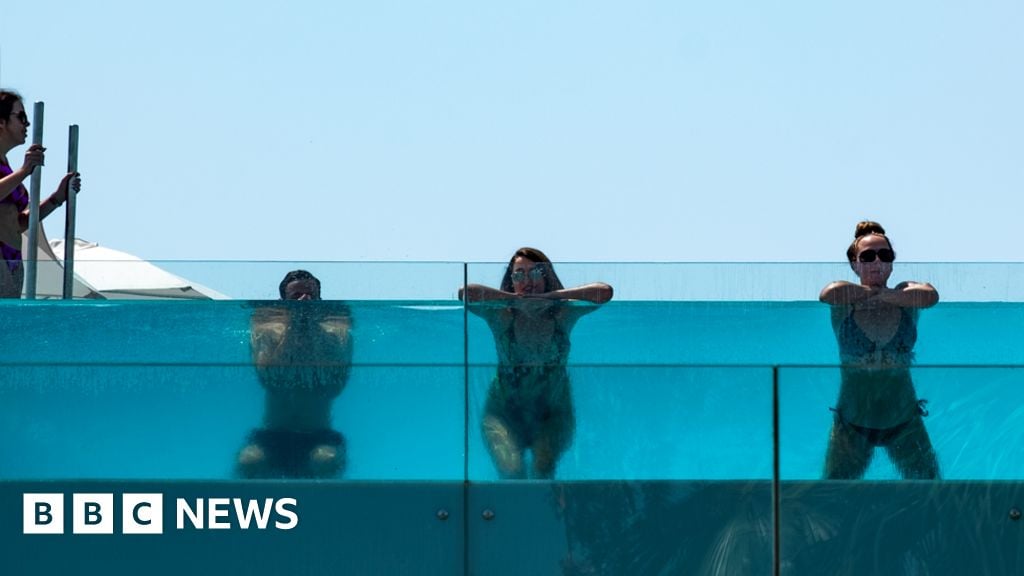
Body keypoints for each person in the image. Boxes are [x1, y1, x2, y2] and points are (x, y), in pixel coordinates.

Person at [460, 247, 613, 479]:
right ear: (511, 280)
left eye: (534, 272)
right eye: (519, 274)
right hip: (503, 413)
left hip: (553, 412)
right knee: (512, 471)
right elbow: (466, 292)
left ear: (546, 276)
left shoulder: (563, 314)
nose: (527, 281)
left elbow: (604, 291)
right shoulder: (502, 316)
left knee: (543, 466)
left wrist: (550, 298)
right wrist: (515, 301)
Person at [819, 221, 940, 479]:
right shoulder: (845, 301)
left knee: (931, 492)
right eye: (868, 256)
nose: (877, 261)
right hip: (853, 423)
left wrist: (883, 295)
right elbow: (829, 293)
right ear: (854, 264)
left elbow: (930, 295)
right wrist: (871, 293)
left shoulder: (905, 297)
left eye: (884, 255)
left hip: (904, 420)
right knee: (831, 495)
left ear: (892, 263)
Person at [237, 270, 353, 479]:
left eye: (310, 296)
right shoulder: (267, 328)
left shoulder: (336, 331)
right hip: (273, 434)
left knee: (326, 461)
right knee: (249, 461)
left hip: (318, 434)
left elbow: (334, 386)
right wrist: (295, 325)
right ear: (284, 303)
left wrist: (310, 327)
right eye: (296, 296)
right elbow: (270, 379)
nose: (304, 301)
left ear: (320, 300)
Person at [0, 90, 81, 298]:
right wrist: (24, 171)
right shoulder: (15, 172)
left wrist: (56, 198)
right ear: (1, 122)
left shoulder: (6, 166)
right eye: (21, 117)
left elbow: (19, 223)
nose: (27, 124)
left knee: (10, 318)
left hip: (13, 259)